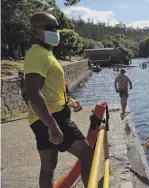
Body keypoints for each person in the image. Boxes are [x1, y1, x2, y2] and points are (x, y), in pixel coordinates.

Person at [24, 12, 93, 188]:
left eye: (56, 27)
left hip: (41, 119)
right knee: (87, 154)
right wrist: (53, 126)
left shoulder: (45, 54)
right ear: (35, 31)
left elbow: (49, 90)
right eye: (49, 28)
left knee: (48, 168)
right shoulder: (38, 54)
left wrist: (69, 101)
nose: (55, 31)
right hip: (53, 118)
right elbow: (32, 92)